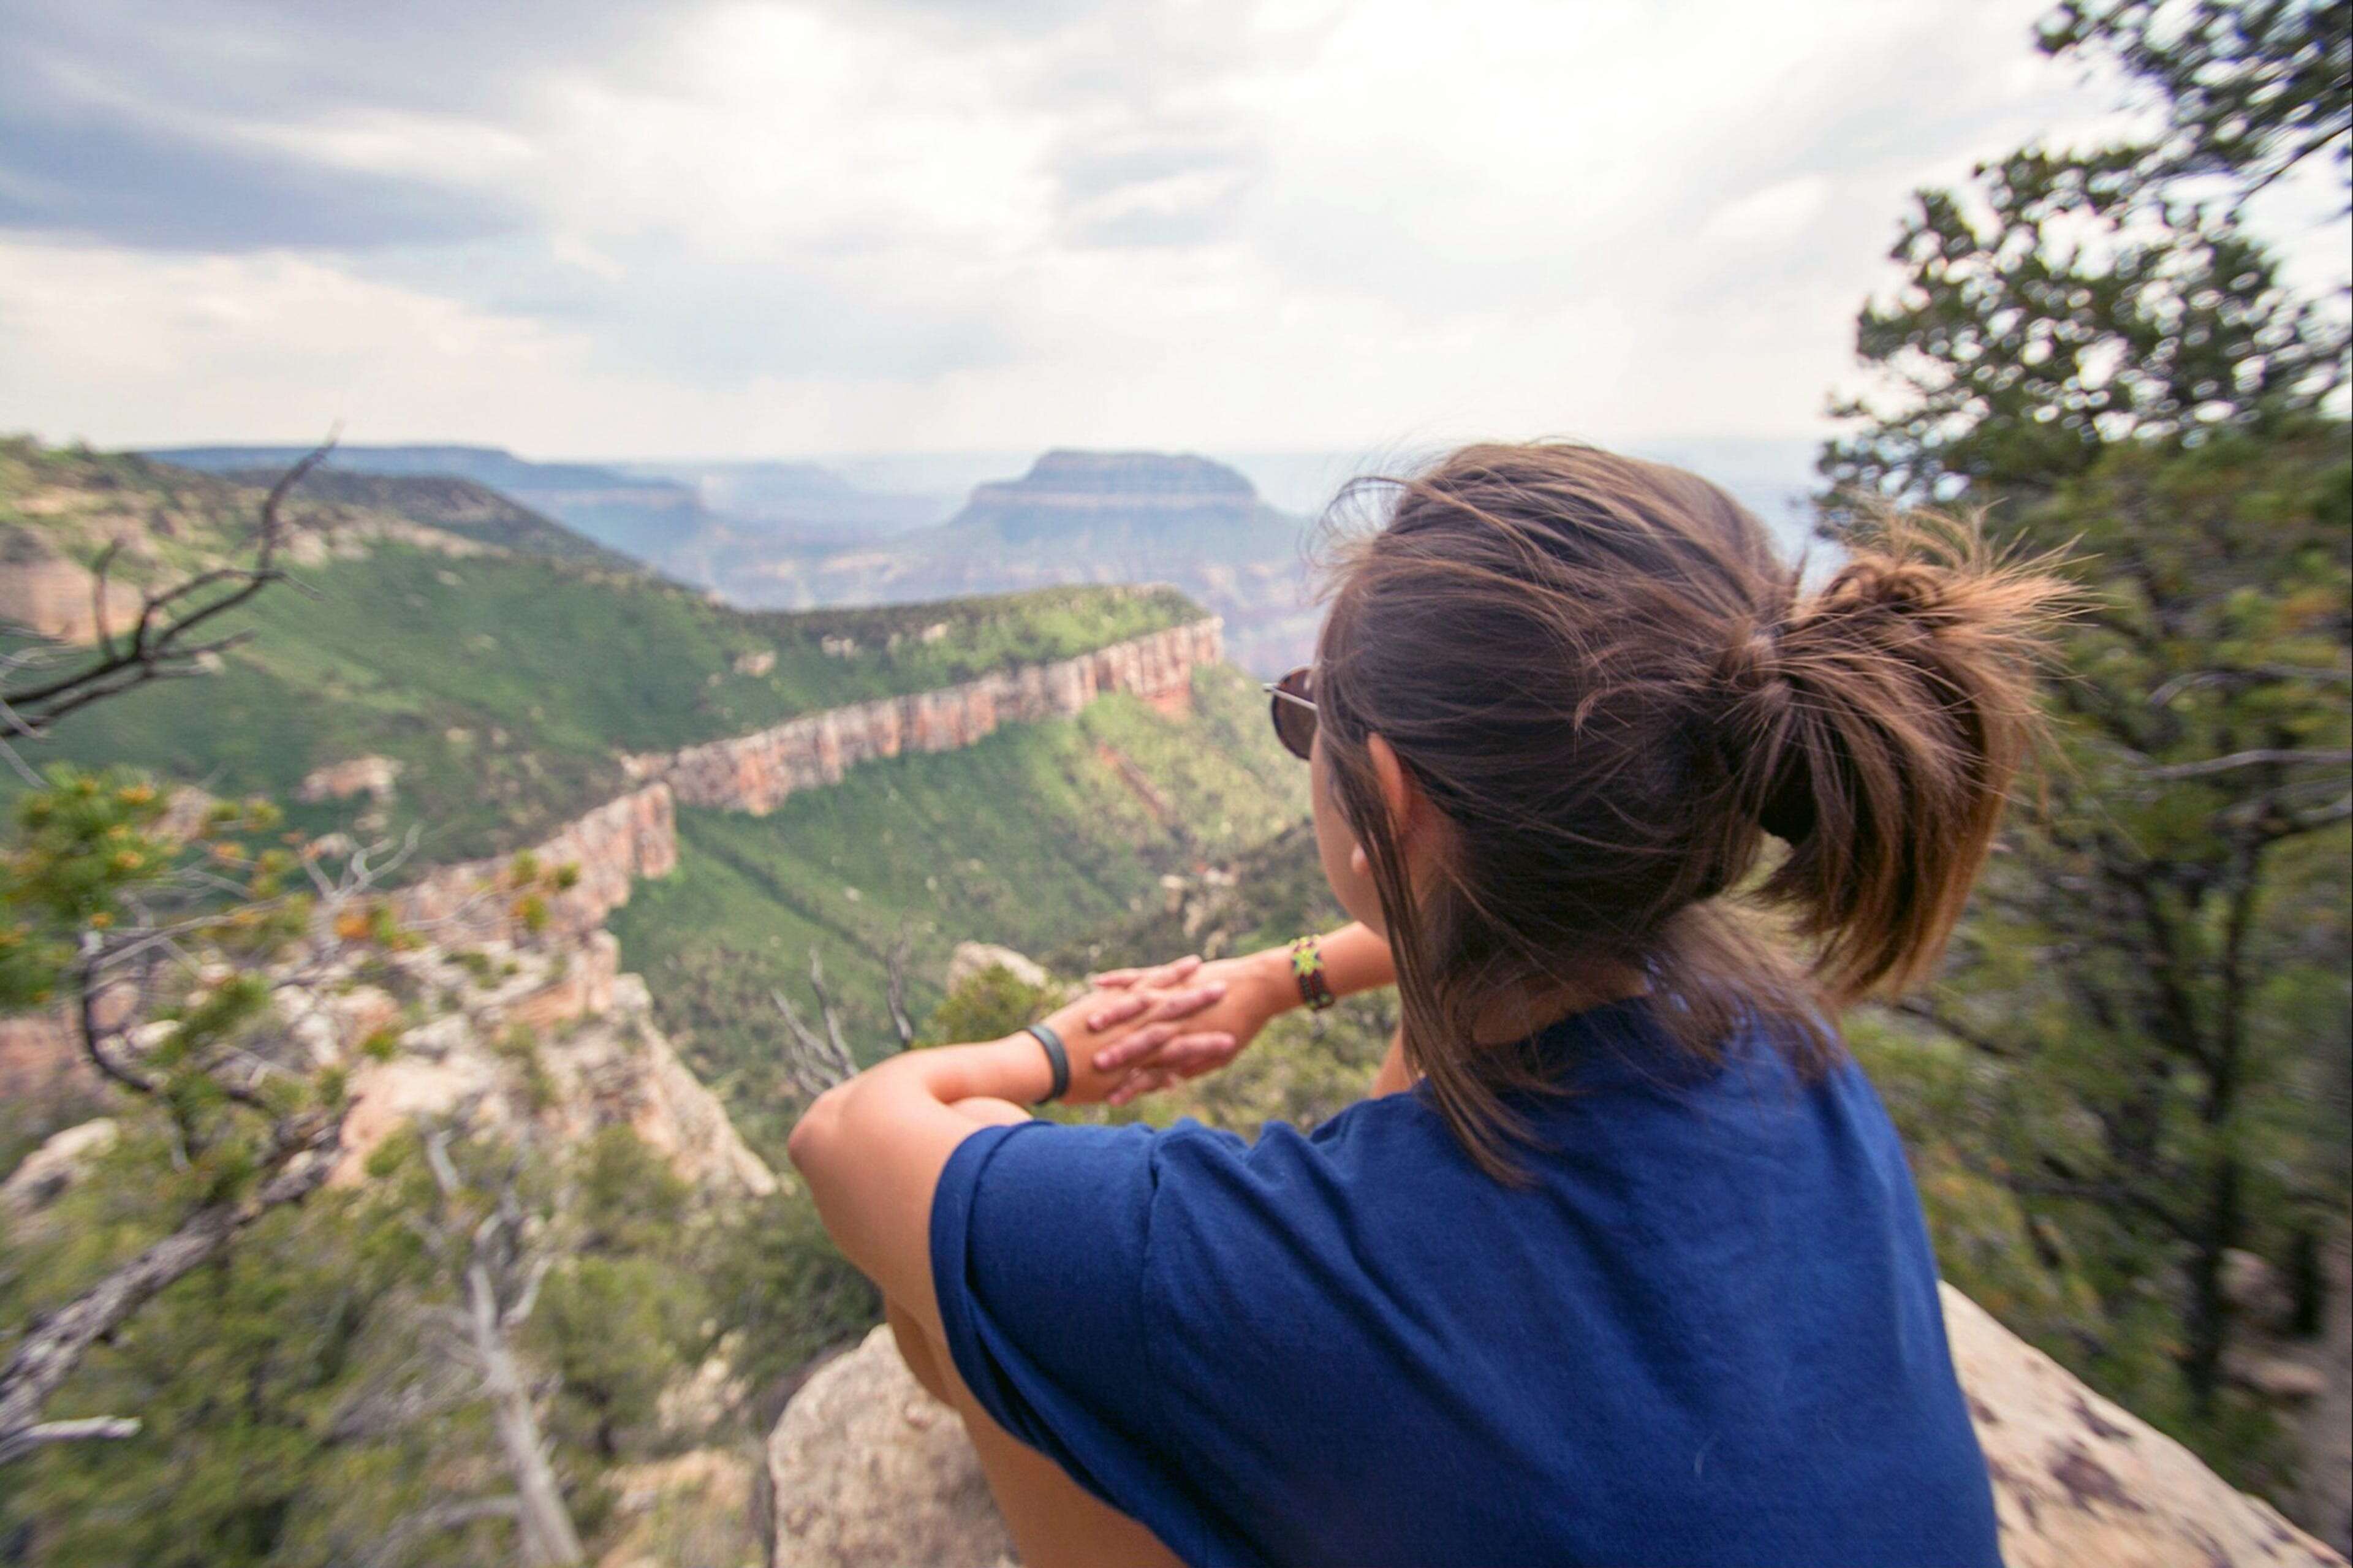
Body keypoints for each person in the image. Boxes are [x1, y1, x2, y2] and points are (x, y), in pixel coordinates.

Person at [788, 442, 2064, 1567]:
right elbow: (1510, 919)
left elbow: (848, 1138)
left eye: (1306, 716)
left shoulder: (1271, 1262)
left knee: (970, 1311)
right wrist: (1279, 977)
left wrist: (1053, 1050)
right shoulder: (1794, 1056)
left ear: (1385, 793)